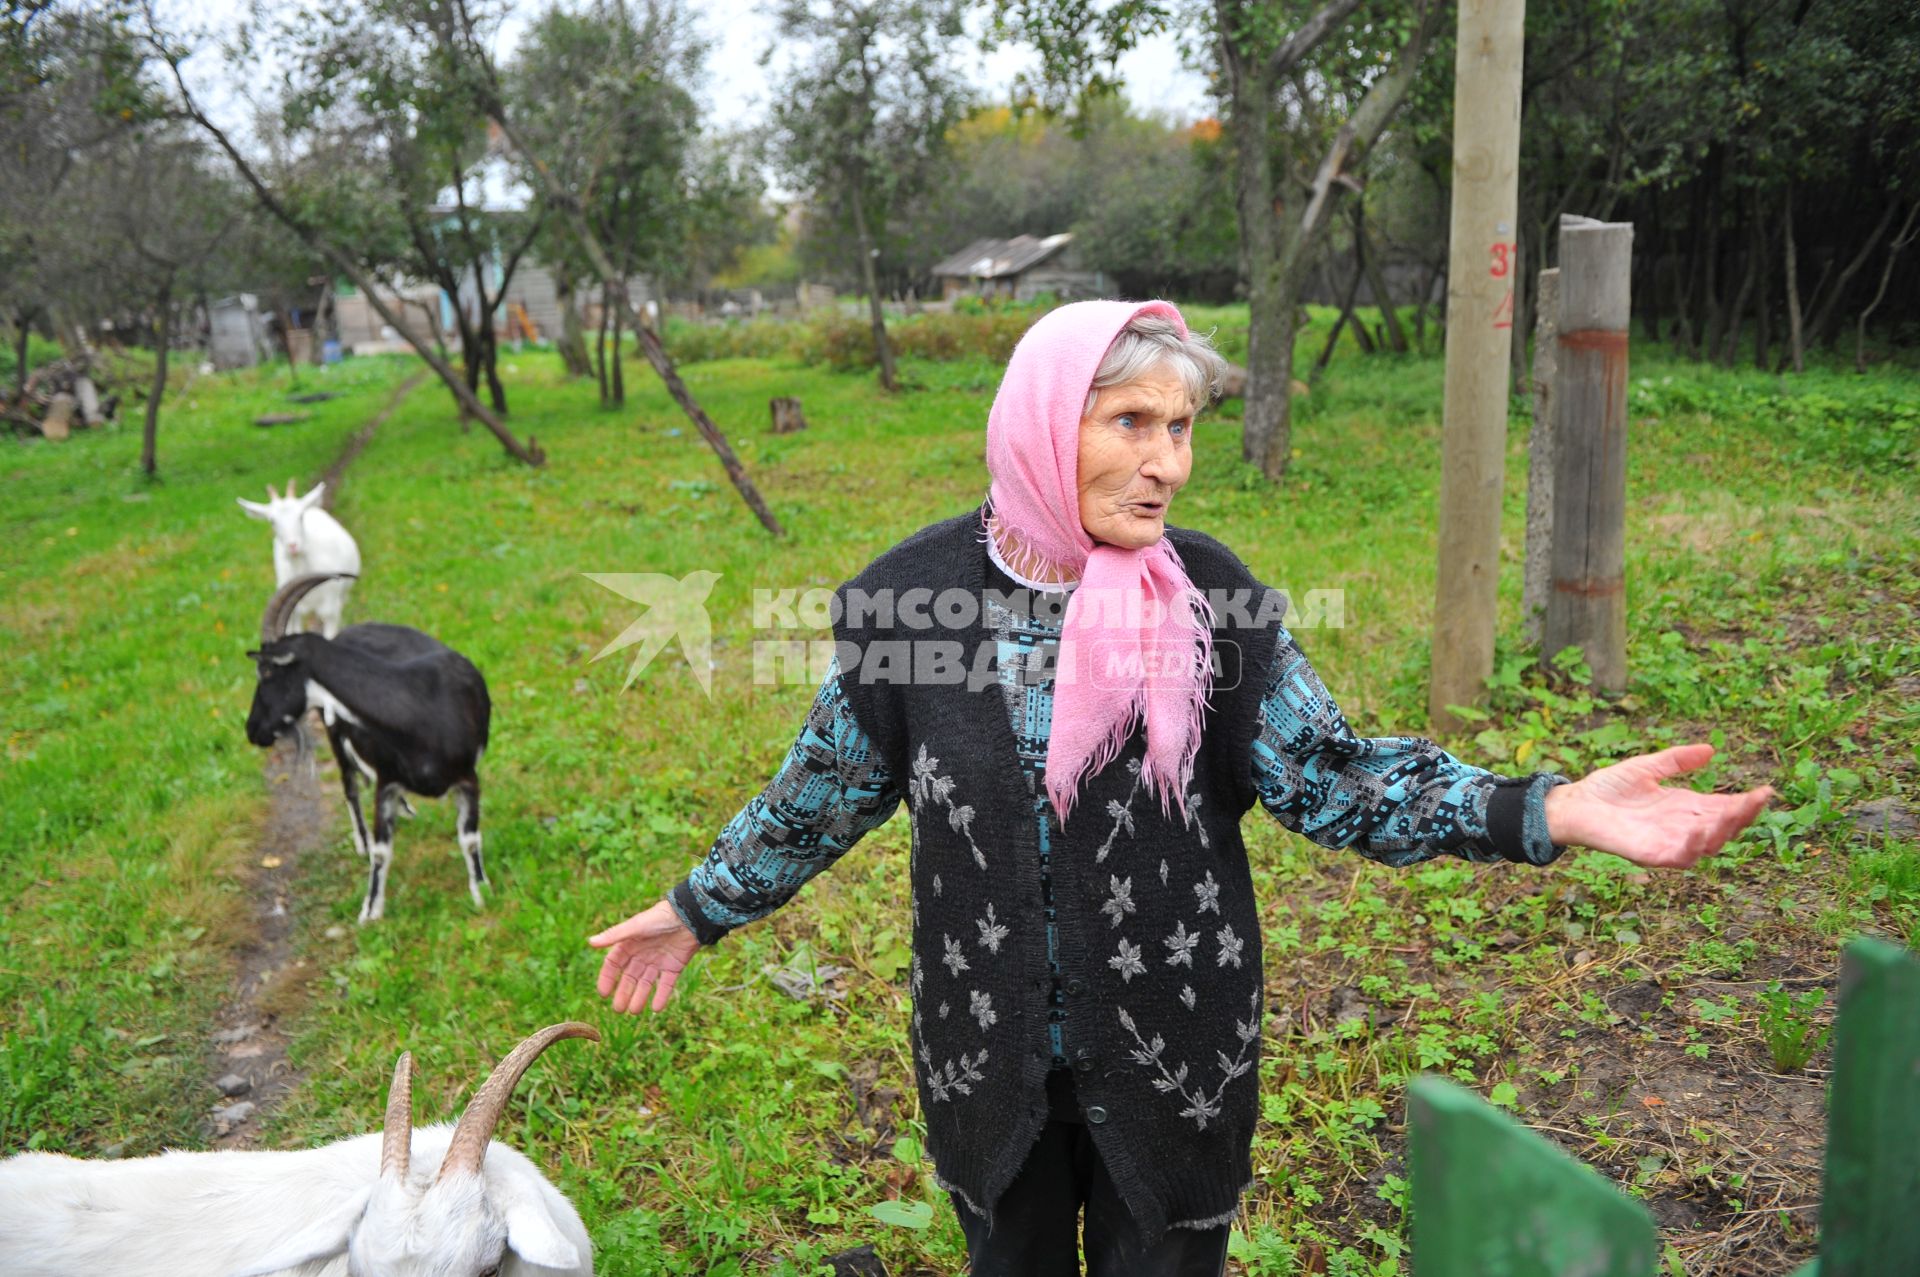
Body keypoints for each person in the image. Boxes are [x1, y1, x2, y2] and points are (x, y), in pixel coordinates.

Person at [588, 300, 1773, 1276]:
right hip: (986, 1055)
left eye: (1183, 426)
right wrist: (699, 905)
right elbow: (826, 787)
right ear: (1048, 423)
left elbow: (1335, 774)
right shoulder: (911, 599)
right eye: (1130, 421)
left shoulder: (1211, 600)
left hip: (1176, 1053)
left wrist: (1546, 806)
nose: (1166, 462)